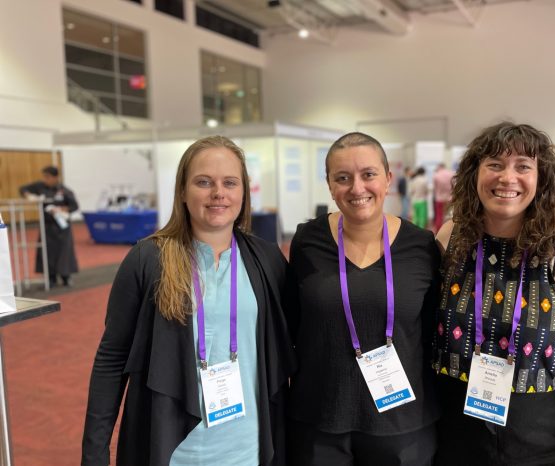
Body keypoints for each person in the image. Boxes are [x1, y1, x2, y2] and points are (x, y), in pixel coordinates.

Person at [81, 136, 295, 466]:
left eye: (230, 183)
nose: (218, 193)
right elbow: (111, 359)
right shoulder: (148, 259)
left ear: (243, 192)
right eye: (204, 182)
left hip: (249, 451)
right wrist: (94, 454)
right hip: (175, 453)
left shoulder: (267, 259)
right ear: (182, 191)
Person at [434, 122, 555, 466]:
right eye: (495, 164)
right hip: (452, 433)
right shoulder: (451, 238)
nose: (507, 177)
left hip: (537, 441)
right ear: (474, 173)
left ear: (541, 179)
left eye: (523, 166)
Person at [285, 132, 440, 466]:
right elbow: (295, 323)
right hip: (320, 423)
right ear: (330, 185)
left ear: (388, 178)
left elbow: (430, 332)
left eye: (368, 174)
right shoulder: (307, 241)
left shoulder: (421, 246)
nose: (357, 188)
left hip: (403, 426)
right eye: (343, 178)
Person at [19, 166, 79, 287]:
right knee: (47, 252)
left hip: (62, 226)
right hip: (46, 226)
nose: (45, 179)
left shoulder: (65, 191)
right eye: (44, 177)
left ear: (56, 177)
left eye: (48, 177)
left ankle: (66, 276)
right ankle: (51, 277)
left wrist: (63, 209)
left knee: (64, 252)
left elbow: (74, 206)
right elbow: (22, 188)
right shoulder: (40, 187)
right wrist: (28, 195)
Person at [432, 163, 455, 231]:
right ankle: (449, 231)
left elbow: (435, 188)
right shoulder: (451, 174)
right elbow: (454, 186)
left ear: (439, 167)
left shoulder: (436, 175)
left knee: (439, 216)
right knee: (450, 216)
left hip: (439, 199)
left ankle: (439, 231)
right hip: (450, 198)